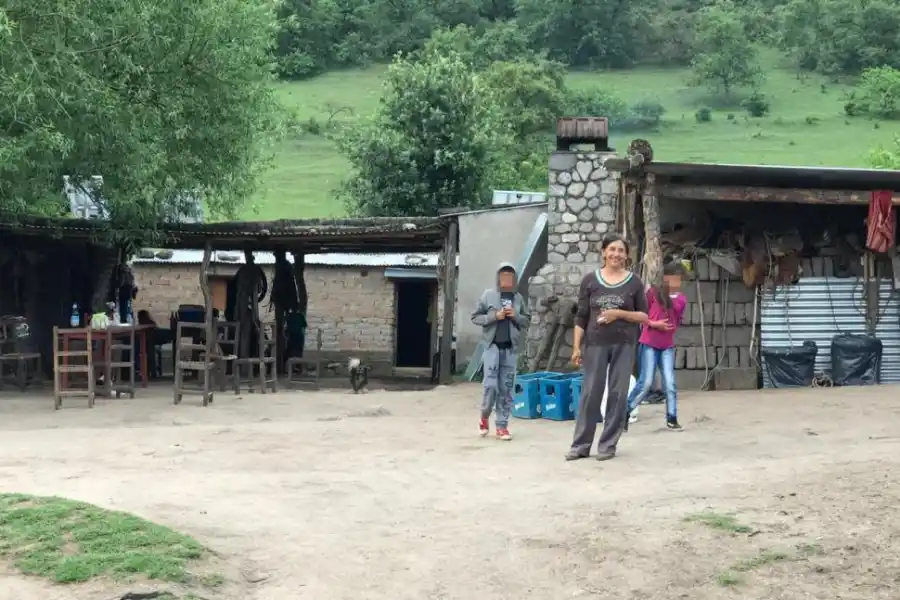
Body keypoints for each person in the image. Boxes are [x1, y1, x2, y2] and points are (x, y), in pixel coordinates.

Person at [565, 233, 669, 462]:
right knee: (591, 393)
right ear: (603, 252)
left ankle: (608, 445)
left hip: (624, 344)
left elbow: (643, 315)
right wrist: (576, 347)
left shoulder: (634, 282)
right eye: (612, 249)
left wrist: (618, 314)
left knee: (618, 393)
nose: (616, 254)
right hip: (594, 344)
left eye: (621, 251)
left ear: (626, 256)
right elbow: (581, 317)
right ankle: (580, 445)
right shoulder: (590, 281)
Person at [471, 263, 531, 441]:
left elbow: (526, 320)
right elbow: (475, 317)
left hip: (510, 349)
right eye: (503, 275)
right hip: (492, 347)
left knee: (506, 387)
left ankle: (502, 426)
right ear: (498, 277)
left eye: (510, 276)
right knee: (490, 385)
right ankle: (484, 416)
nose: (506, 279)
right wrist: (494, 316)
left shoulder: (518, 298)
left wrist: (515, 316)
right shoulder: (488, 295)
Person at [625, 261, 686, 430]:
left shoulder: (681, 299)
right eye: (672, 279)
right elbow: (642, 316)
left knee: (670, 383)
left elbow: (677, 320)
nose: (676, 283)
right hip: (649, 343)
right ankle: (626, 411)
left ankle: (672, 417)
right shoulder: (652, 293)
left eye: (678, 280)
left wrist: (668, 328)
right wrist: (654, 324)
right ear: (665, 279)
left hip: (667, 345)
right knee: (646, 382)